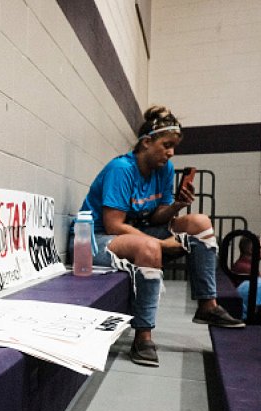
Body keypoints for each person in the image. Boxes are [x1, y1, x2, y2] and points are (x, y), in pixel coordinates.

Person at [71, 105, 245, 368]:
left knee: (200, 222)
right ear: (146, 142)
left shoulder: (164, 169)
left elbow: (155, 217)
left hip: (135, 231)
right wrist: (162, 244)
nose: (171, 152)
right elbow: (113, 225)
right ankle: (143, 335)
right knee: (150, 248)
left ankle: (207, 305)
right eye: (166, 145)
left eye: (174, 146)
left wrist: (176, 206)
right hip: (94, 239)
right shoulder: (121, 169)